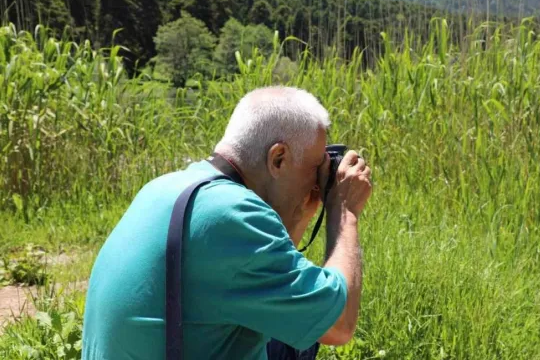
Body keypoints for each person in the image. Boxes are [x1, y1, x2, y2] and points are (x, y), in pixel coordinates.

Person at [81, 86, 372, 359]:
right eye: (313, 168)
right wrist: (344, 212)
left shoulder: (169, 187)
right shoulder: (232, 216)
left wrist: (299, 215)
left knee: (289, 329)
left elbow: (276, 285)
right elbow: (337, 323)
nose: (316, 183)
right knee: (305, 336)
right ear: (278, 158)